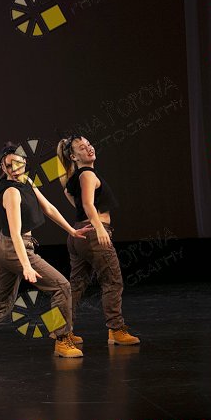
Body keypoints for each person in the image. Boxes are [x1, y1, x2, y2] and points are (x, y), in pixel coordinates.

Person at [0, 144, 92, 358]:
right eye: (9, 166)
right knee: (62, 287)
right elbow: (15, 233)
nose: (14, 169)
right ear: (2, 167)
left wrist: (71, 230)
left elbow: (48, 208)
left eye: (18, 163)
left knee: (2, 305)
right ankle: (62, 339)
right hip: (14, 247)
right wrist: (26, 266)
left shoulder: (26, 181)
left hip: (3, 246)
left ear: (24, 162)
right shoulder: (12, 192)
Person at [56, 135, 139, 345]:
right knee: (112, 280)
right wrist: (100, 227)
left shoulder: (74, 178)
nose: (89, 148)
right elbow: (87, 204)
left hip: (79, 234)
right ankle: (116, 330)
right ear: (73, 156)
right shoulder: (87, 174)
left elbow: (71, 196)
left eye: (88, 144)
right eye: (81, 148)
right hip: (93, 234)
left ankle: (61, 330)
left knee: (76, 285)